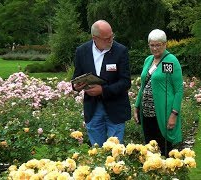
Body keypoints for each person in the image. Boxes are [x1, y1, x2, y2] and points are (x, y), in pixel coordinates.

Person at [72, 20, 131, 146]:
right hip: (93, 109)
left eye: (112, 36)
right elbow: (76, 77)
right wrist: (76, 86)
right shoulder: (82, 51)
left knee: (115, 153)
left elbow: (125, 82)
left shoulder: (120, 51)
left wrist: (103, 90)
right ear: (95, 38)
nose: (110, 40)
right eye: (106, 38)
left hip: (115, 108)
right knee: (97, 151)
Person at [134, 29, 183, 157]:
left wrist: (174, 113)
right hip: (147, 113)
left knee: (164, 147)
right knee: (149, 148)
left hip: (163, 112)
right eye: (152, 45)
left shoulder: (171, 60)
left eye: (158, 45)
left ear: (165, 44)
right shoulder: (148, 60)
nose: (155, 48)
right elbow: (143, 86)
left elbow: (178, 89)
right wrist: (136, 106)